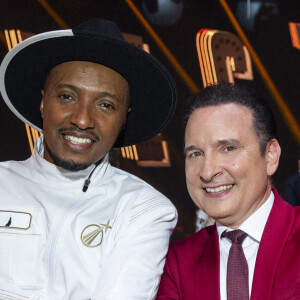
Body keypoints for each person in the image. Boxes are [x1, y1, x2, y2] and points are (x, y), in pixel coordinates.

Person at [0, 19, 178, 299]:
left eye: (106, 105)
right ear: (44, 102)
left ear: (123, 120)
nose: (82, 120)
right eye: (67, 96)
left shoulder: (144, 209)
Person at [157, 83, 300, 300]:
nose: (207, 171)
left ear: (270, 155)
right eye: (195, 154)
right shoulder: (176, 264)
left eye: (228, 149)